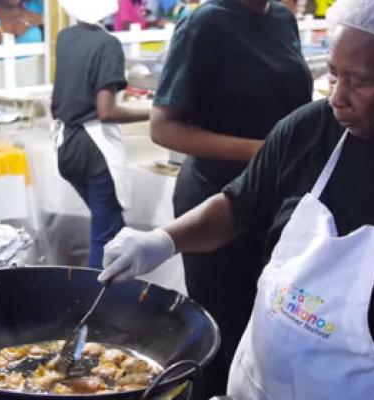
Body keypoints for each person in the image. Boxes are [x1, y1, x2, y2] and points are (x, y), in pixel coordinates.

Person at [99, 0, 374, 398]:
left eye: (361, 81)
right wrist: (162, 240)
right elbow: (236, 206)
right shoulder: (310, 128)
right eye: (333, 75)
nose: (338, 97)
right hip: (262, 382)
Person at [148, 0, 313, 396]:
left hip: (277, 197)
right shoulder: (206, 23)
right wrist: (266, 151)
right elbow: (164, 129)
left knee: (274, 323)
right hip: (216, 197)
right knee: (224, 332)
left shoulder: (282, 19)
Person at [51, 0, 150, 269]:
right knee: (106, 238)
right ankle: (92, 302)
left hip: (66, 146)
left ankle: (114, 295)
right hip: (94, 149)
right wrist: (152, 112)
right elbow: (106, 112)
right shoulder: (108, 45)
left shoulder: (65, 37)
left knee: (114, 228)